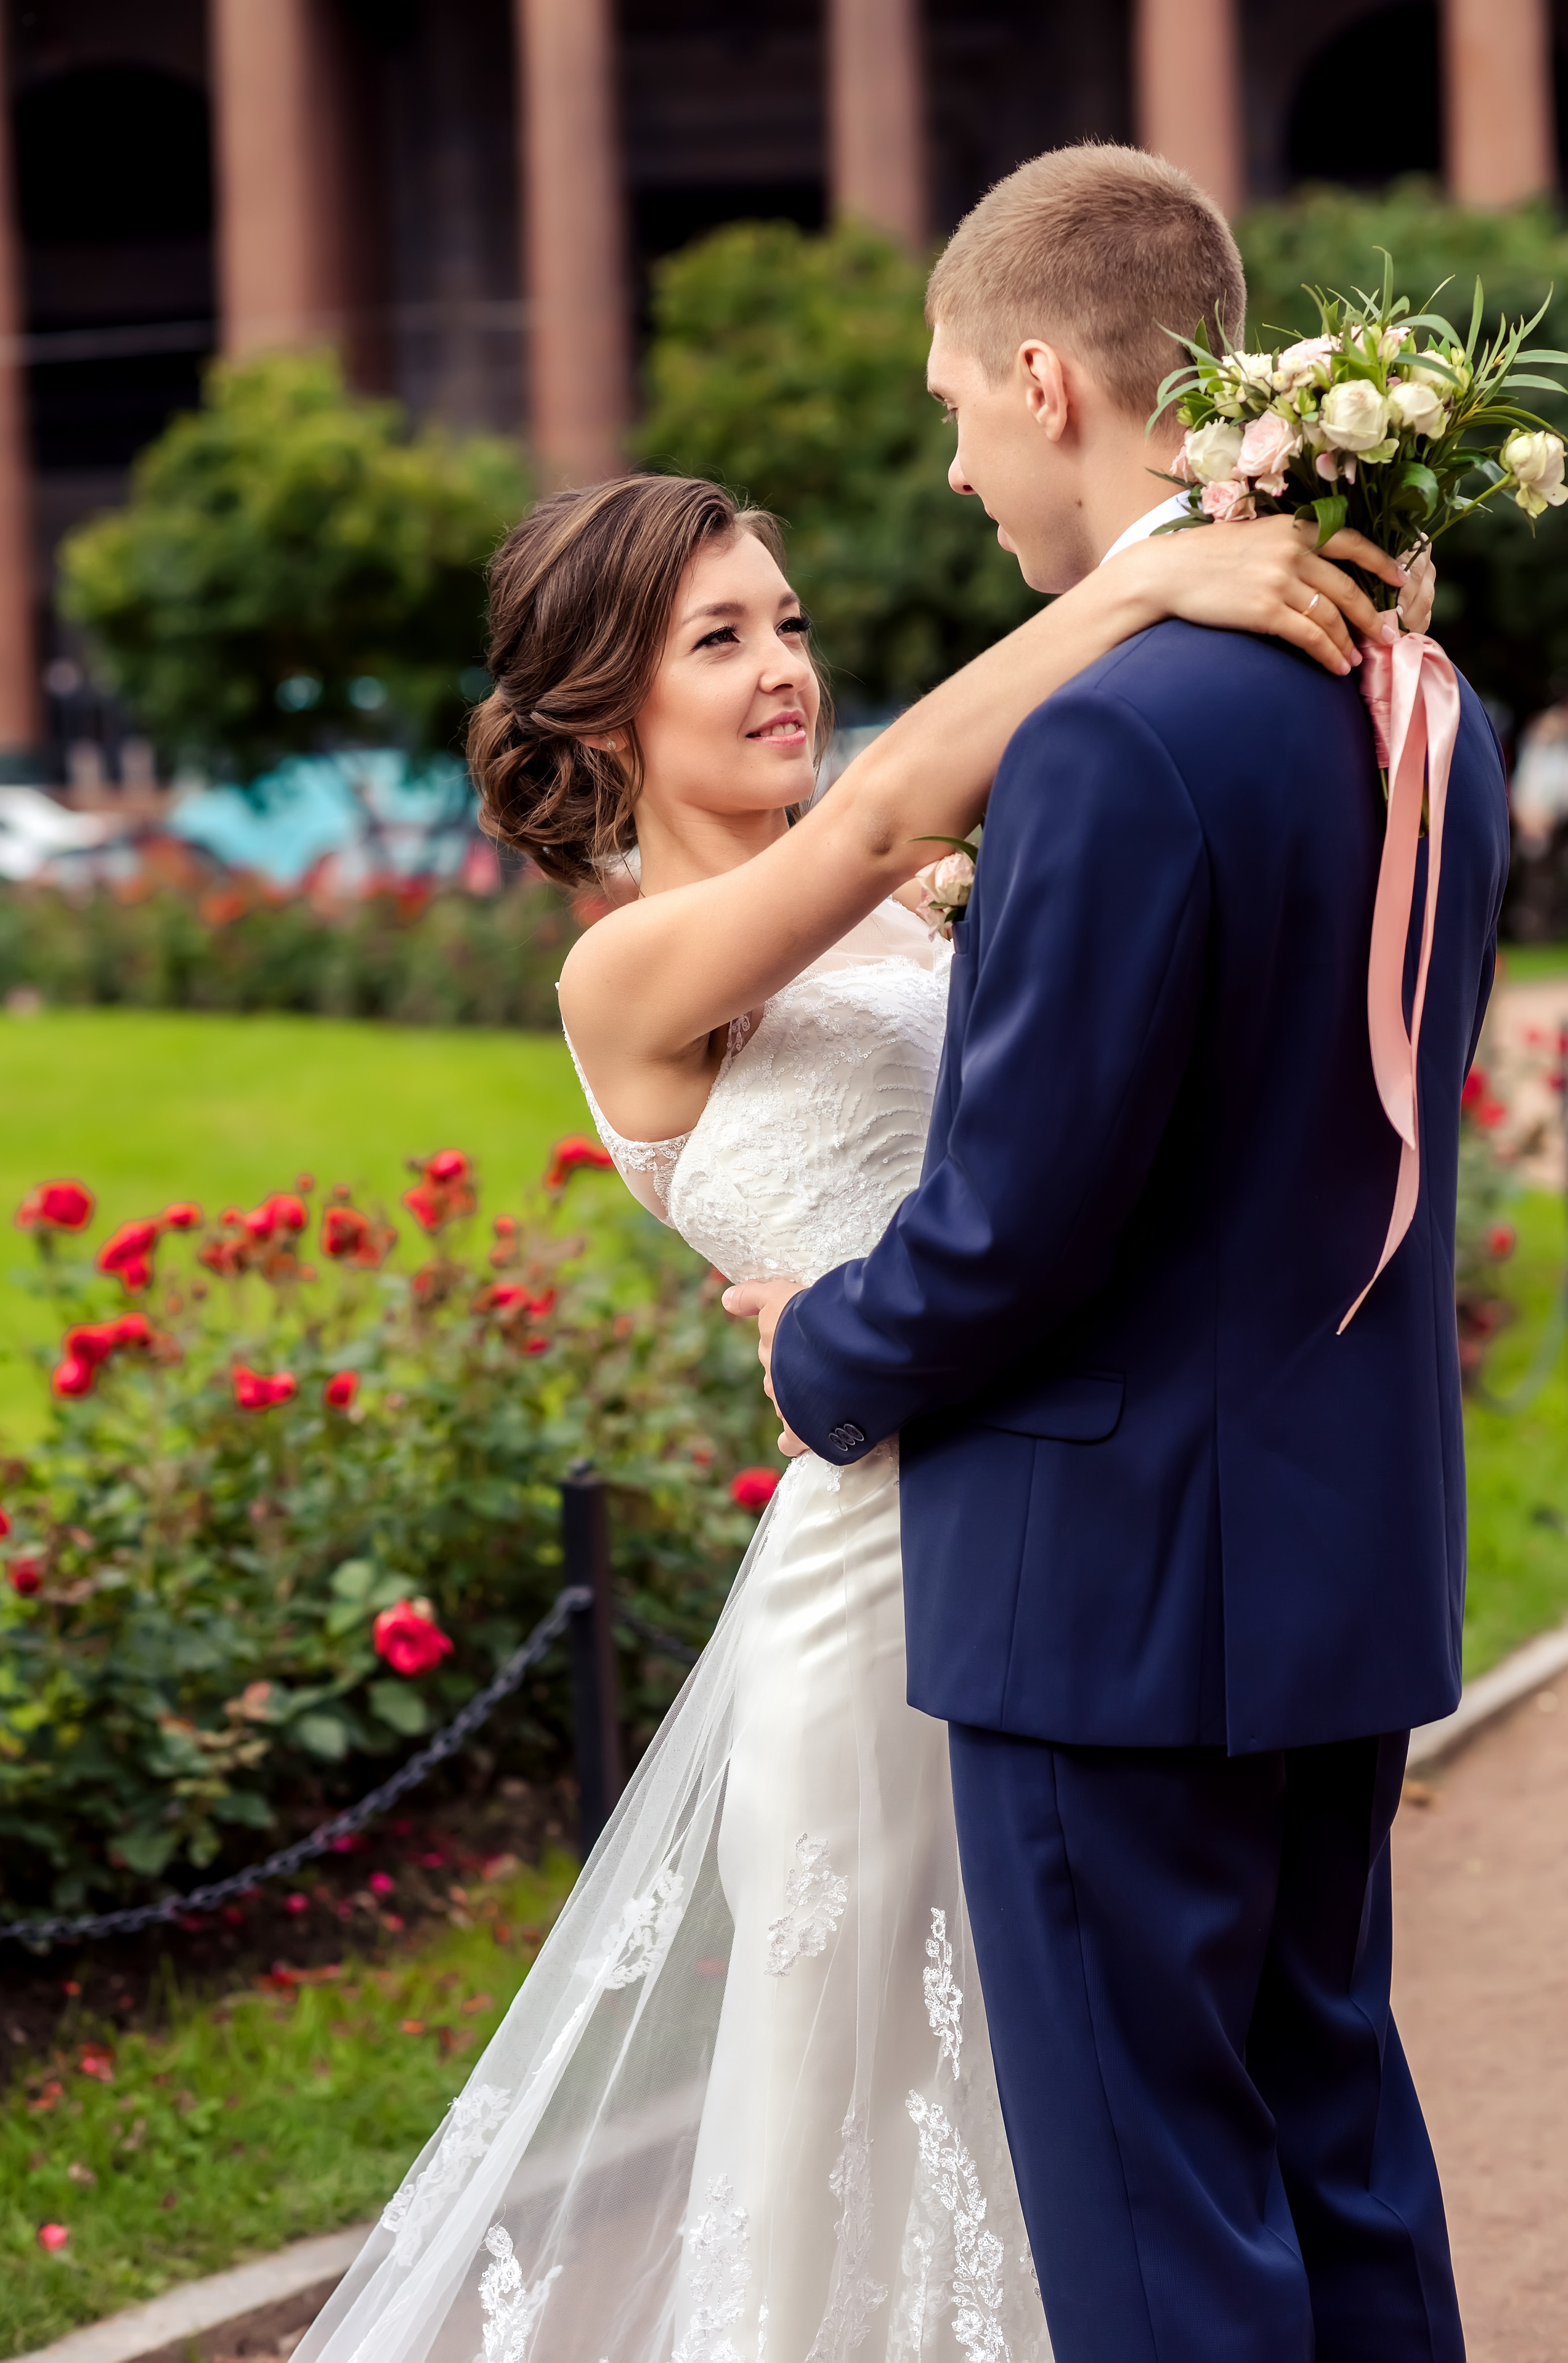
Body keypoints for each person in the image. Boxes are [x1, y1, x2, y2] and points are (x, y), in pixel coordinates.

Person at [291, 177, 1423, 2363]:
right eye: (721, 638)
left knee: (1085, 2138)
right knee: (869, 2143)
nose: (789, 662)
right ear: (603, 715)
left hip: (1069, 1530)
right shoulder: (633, 974)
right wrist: (1161, 571)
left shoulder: (921, 904)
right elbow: (886, 815)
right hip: (888, 1580)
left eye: (788, 618)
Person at [734, 146, 1509, 2363]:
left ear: (1052, 379)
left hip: (1108, 1586)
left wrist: (819, 1346)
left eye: (958, 402)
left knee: (1154, 2221)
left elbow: (1008, 1233)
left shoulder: (1106, 740)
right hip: (1341, 1551)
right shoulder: (1424, 703)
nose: (957, 460)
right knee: (1336, 2145)